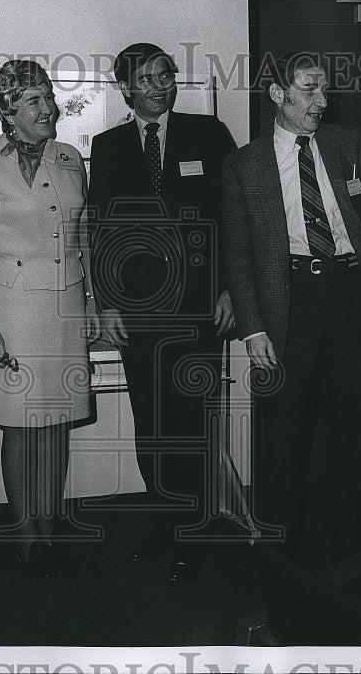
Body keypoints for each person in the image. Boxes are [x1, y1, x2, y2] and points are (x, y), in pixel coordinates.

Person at [222, 51, 361, 569]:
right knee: (284, 437)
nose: (322, 101)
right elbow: (238, 254)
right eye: (310, 90)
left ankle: (353, 552)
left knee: (354, 431)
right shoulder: (243, 164)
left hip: (351, 297)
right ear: (278, 95)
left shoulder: (348, 143)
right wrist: (253, 330)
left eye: (325, 91)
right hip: (286, 303)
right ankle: (281, 560)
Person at [87, 43, 236, 582]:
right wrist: (105, 302)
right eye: (145, 78)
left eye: (165, 75)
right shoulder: (107, 147)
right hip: (138, 312)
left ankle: (193, 536)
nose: (158, 85)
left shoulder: (209, 136)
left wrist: (229, 291)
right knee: (152, 425)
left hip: (200, 308)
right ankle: (163, 528)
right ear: (125, 88)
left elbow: (230, 219)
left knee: (192, 422)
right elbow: (99, 232)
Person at [0, 59, 100, 576]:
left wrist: (92, 298)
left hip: (66, 305)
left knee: (57, 426)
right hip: (14, 309)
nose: (48, 109)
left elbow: (83, 234)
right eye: (34, 101)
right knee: (21, 427)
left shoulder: (69, 159)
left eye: (49, 97)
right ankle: (25, 531)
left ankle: (49, 524)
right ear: (8, 111)